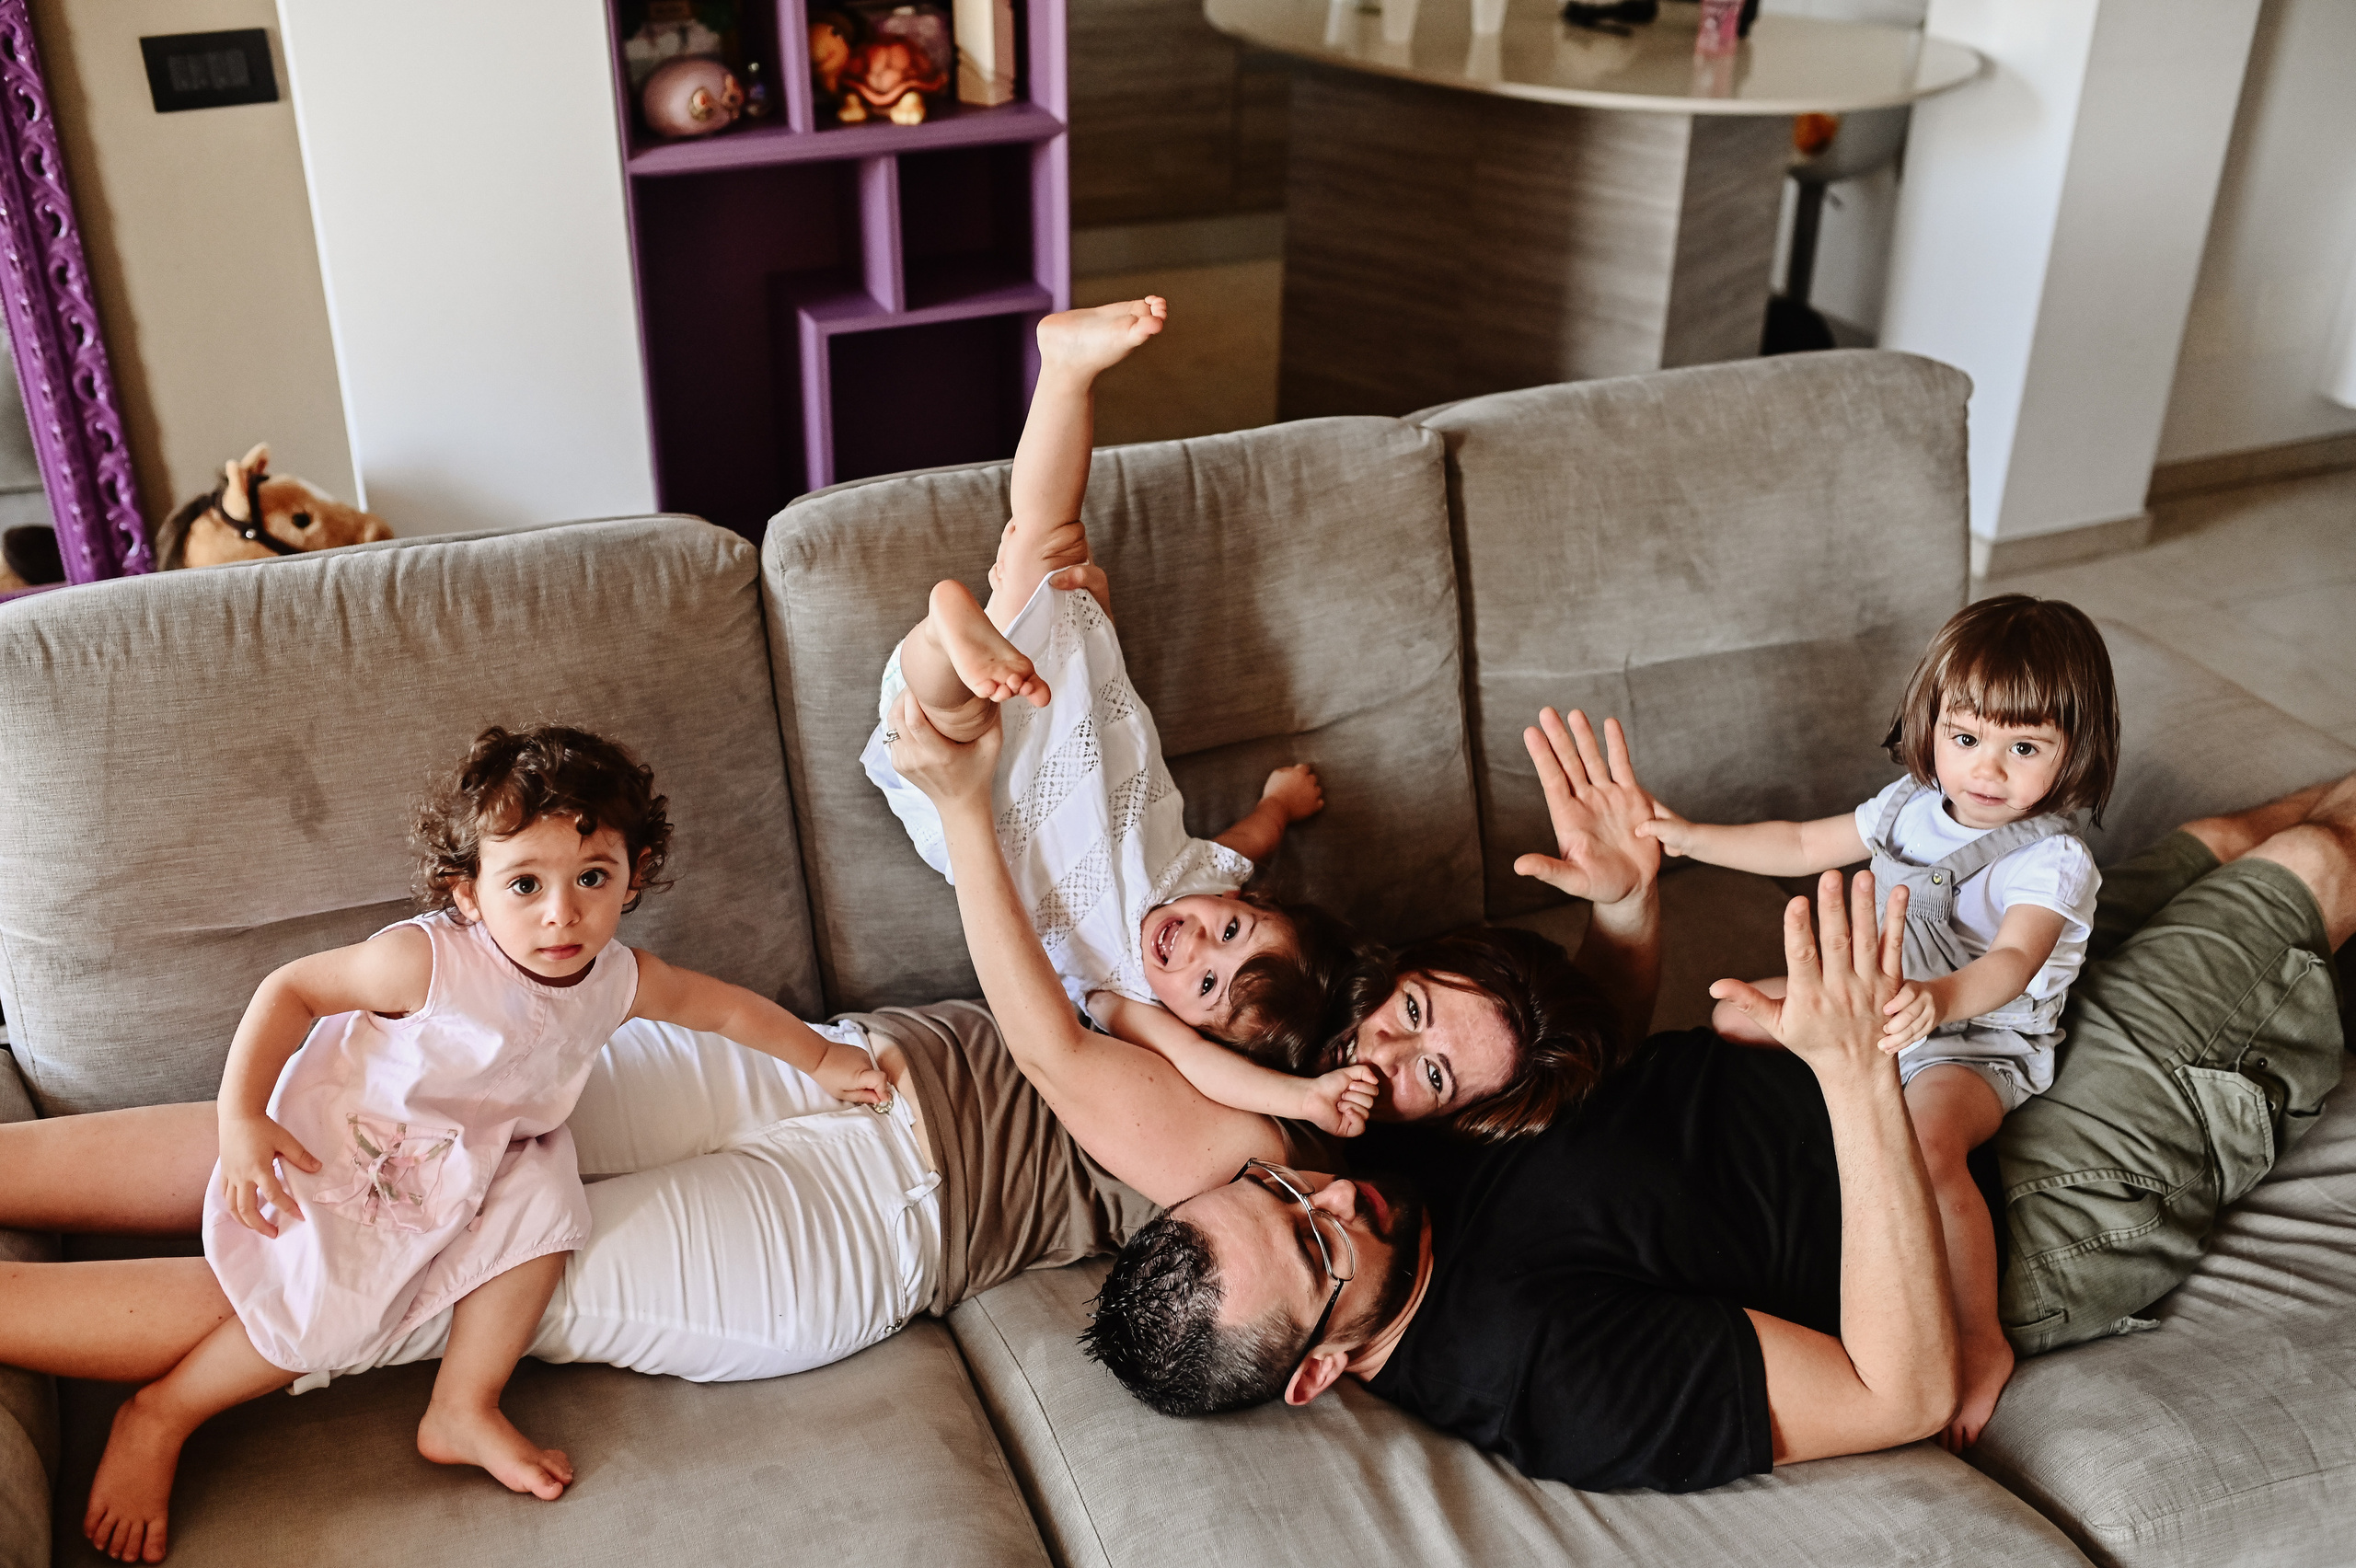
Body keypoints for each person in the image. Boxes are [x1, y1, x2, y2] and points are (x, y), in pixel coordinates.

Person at [1074, 735, 2352, 1494]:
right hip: (2004, 1195)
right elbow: (1900, 1392)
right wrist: (1852, 1076)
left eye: (1279, 1187)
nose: (1333, 1193)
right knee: (2310, 872)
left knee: (2205, 841)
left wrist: (1630, 902)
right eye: (1316, 1244)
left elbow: (1588, 1103)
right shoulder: (1549, 1376)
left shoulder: (1383, 1161)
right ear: (1319, 1371)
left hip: (1904, 1022)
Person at [73, 725, 891, 1562]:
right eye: (525, 884)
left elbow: (723, 1010)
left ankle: (462, 1406)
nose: (561, 913)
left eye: (592, 878)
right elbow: (291, 990)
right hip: (370, 1142)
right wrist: (240, 1116)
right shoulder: (425, 963)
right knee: (332, 1315)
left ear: (635, 874)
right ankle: (161, 1412)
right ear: (468, 894)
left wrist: (821, 1057)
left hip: (495, 1146)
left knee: (551, 1216)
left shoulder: (619, 978)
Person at [863, 294, 1383, 1136]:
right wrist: (1281, 805)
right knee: (1049, 539)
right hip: (1060, 717)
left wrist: (1302, 1101)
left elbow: (1202, 1068)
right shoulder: (1208, 877)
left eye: (1207, 985)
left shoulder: (1125, 995)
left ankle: (943, 628)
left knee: (941, 713)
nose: (1199, 942)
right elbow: (1251, 842)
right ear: (1248, 902)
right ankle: (1066, 371)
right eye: (1234, 928)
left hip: (985, 794)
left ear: (1184, 1020)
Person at [1637, 594, 2119, 1448]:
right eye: (1965, 738)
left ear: (2075, 750)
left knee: (1928, 1148)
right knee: (1731, 1019)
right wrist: (1687, 837)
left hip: (1978, 1041)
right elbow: (1798, 844)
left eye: (2024, 748)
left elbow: (2013, 961)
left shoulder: (2051, 860)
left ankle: (1980, 1337)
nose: (1987, 769)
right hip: (1883, 1004)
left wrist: (1938, 1003)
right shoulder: (1907, 806)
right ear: (1930, 723)